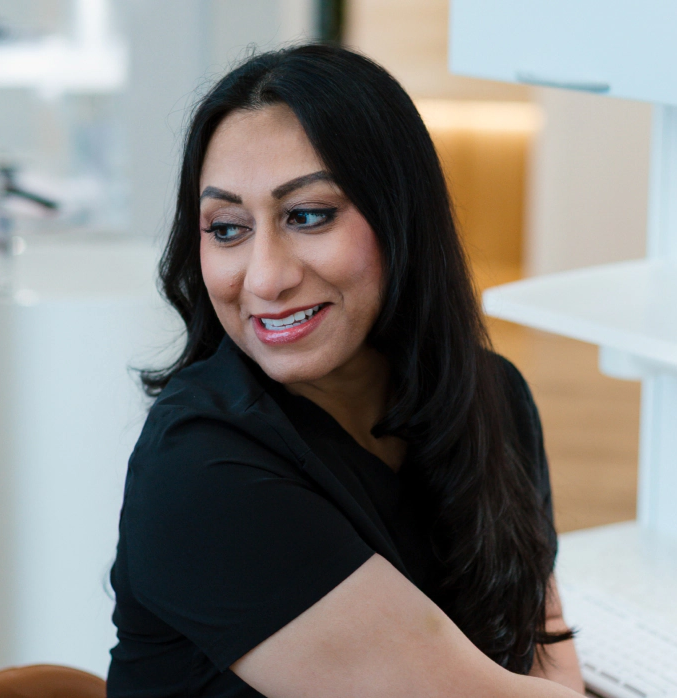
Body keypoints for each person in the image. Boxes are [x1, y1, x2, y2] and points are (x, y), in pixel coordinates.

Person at [108, 44, 585, 697]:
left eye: (308, 216)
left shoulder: (492, 396)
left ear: (400, 218)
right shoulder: (202, 472)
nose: (266, 277)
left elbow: (541, 636)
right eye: (226, 228)